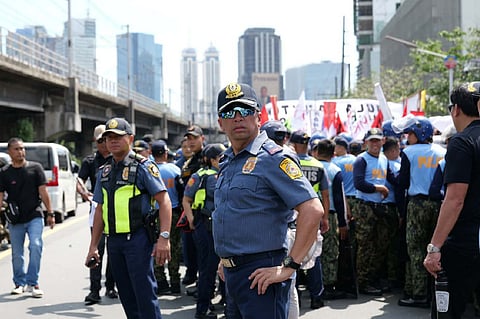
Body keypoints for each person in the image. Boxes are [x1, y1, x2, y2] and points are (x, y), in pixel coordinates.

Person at [214, 82, 324, 319]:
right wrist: (226, 260)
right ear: (220, 122)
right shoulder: (228, 161)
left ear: (258, 116)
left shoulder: (273, 158)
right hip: (233, 273)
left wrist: (289, 266)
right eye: (229, 113)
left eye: (244, 111)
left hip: (261, 274)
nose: (237, 118)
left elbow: (312, 210)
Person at [85, 117, 172, 319]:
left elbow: (164, 201)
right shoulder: (104, 172)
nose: (112, 141)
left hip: (138, 240)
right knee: (126, 295)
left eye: (118, 137)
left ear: (130, 138)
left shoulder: (143, 167)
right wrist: (93, 246)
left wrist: (164, 237)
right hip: (114, 242)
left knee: (144, 295)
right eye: (108, 138)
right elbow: (99, 210)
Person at [424, 82, 480, 318]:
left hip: (467, 242)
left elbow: (455, 199)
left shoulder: (462, 142)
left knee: (450, 310)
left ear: (455, 109)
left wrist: (434, 248)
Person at [396, 116, 445, 308]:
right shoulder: (443, 152)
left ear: (420, 133)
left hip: (417, 205)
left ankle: (418, 294)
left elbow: (404, 182)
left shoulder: (409, 152)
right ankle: (436, 292)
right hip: (439, 205)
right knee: (436, 247)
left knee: (415, 250)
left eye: (411, 133)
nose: (408, 137)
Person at [0, 137, 55, 297]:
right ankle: (19, 283)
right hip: (15, 219)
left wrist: (50, 213)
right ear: (9, 152)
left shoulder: (35, 168)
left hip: (34, 215)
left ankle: (33, 283)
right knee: (17, 253)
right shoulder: (4, 173)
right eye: (16, 149)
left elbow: (43, 192)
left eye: (22, 148)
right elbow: (1, 195)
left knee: (36, 245)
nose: (20, 152)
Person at [183, 143, 226, 319]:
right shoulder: (203, 176)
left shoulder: (224, 174)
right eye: (220, 158)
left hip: (219, 226)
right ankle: (202, 309)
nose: (223, 161)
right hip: (207, 226)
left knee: (225, 265)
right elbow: (186, 199)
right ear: (211, 160)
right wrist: (191, 219)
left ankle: (225, 301)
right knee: (208, 268)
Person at [77, 124, 118, 305]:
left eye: (107, 139)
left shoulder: (118, 159)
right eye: (101, 140)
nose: (105, 144)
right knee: (97, 249)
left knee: (115, 251)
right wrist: (84, 192)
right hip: (98, 211)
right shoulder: (90, 161)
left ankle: (111, 285)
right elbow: (79, 180)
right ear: (96, 141)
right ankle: (94, 291)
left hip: (119, 212)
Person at [289, 130, 330, 309]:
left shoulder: (288, 163)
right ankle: (317, 297)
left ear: (294, 144)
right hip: (313, 213)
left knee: (293, 254)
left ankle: (295, 292)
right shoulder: (318, 165)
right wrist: (325, 218)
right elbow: (325, 195)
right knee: (313, 255)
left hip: (294, 213)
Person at [352, 128, 391, 296]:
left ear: (382, 141)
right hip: (364, 206)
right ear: (366, 142)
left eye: (377, 140)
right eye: (372, 141)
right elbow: (359, 183)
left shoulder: (384, 159)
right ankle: (363, 281)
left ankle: (373, 277)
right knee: (365, 245)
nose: (375, 144)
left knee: (379, 244)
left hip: (379, 207)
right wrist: (379, 188)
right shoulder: (361, 159)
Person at [311, 137, 348, 300]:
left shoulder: (310, 166)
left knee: (311, 251)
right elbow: (339, 199)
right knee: (330, 251)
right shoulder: (334, 169)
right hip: (329, 215)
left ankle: (313, 286)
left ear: (317, 152)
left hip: (309, 215)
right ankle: (328, 285)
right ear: (333, 154)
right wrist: (343, 223)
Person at [151, 139, 184, 295]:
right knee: (175, 248)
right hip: (173, 212)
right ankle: (175, 282)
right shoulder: (175, 169)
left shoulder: (149, 170)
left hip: (153, 215)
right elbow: (182, 191)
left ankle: (161, 281)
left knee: (156, 247)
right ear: (165, 153)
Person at [180, 125, 206, 287]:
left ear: (202, 138)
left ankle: (204, 286)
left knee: (204, 253)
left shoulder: (208, 156)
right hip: (189, 210)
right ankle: (195, 278)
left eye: (194, 138)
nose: (191, 142)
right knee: (190, 249)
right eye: (188, 138)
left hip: (204, 212)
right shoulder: (190, 161)